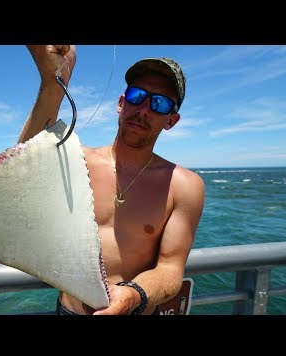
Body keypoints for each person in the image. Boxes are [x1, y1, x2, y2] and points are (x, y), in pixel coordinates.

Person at [18, 45, 205, 315]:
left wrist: (132, 294)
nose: (144, 109)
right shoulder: (76, 162)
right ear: (121, 103)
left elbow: (171, 269)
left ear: (171, 121)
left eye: (160, 103)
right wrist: (53, 82)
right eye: (137, 95)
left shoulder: (184, 186)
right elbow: (24, 164)